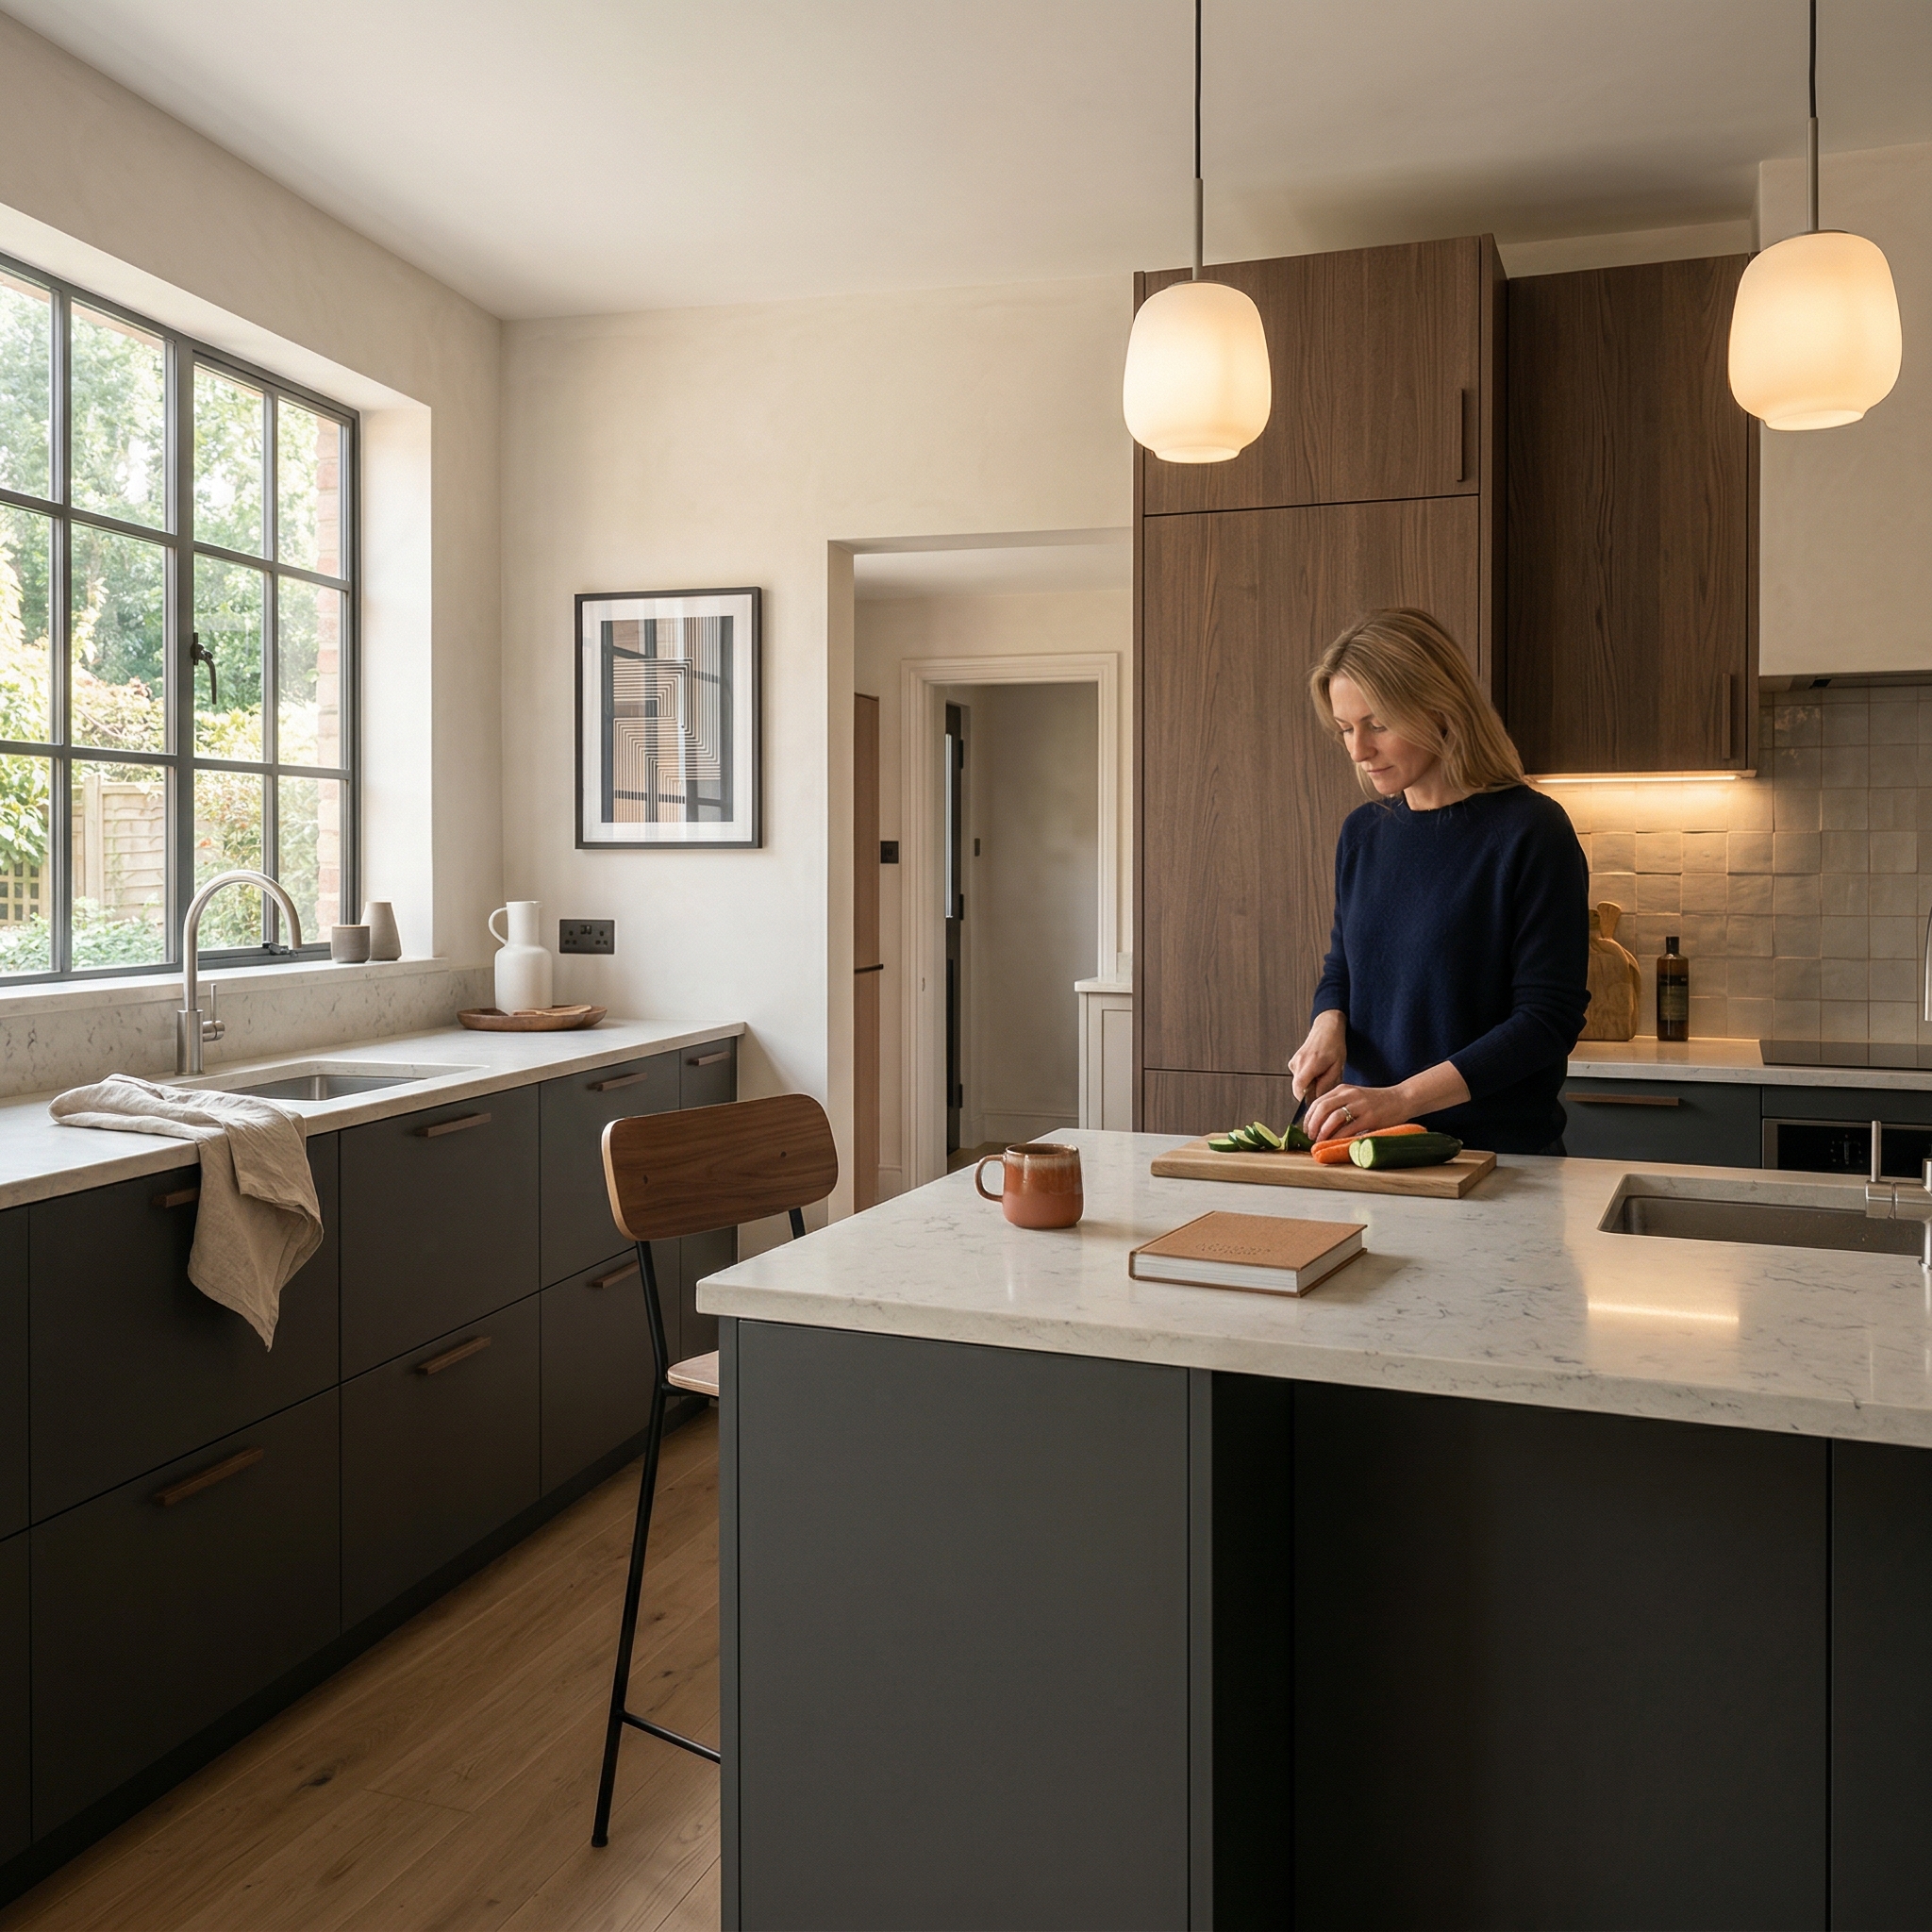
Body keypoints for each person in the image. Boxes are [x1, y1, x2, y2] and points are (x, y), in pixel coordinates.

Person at [1291, 608, 1589, 1158]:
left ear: (1441, 708)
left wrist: (1401, 1099)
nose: (1358, 750)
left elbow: (1547, 1021)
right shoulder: (1363, 833)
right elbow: (1344, 965)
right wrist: (1327, 1023)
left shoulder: (1532, 831)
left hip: (1498, 1161)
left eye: (1377, 724)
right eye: (1345, 729)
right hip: (1366, 1151)